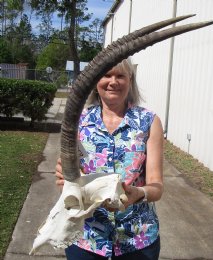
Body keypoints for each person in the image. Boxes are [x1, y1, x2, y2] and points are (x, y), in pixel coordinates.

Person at [55, 58, 164, 260]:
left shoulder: (149, 121)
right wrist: (66, 180)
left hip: (138, 239)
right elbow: (68, 180)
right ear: (96, 80)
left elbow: (156, 187)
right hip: (86, 238)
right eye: (106, 74)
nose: (113, 81)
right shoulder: (78, 121)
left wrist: (138, 193)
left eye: (120, 75)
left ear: (130, 80)